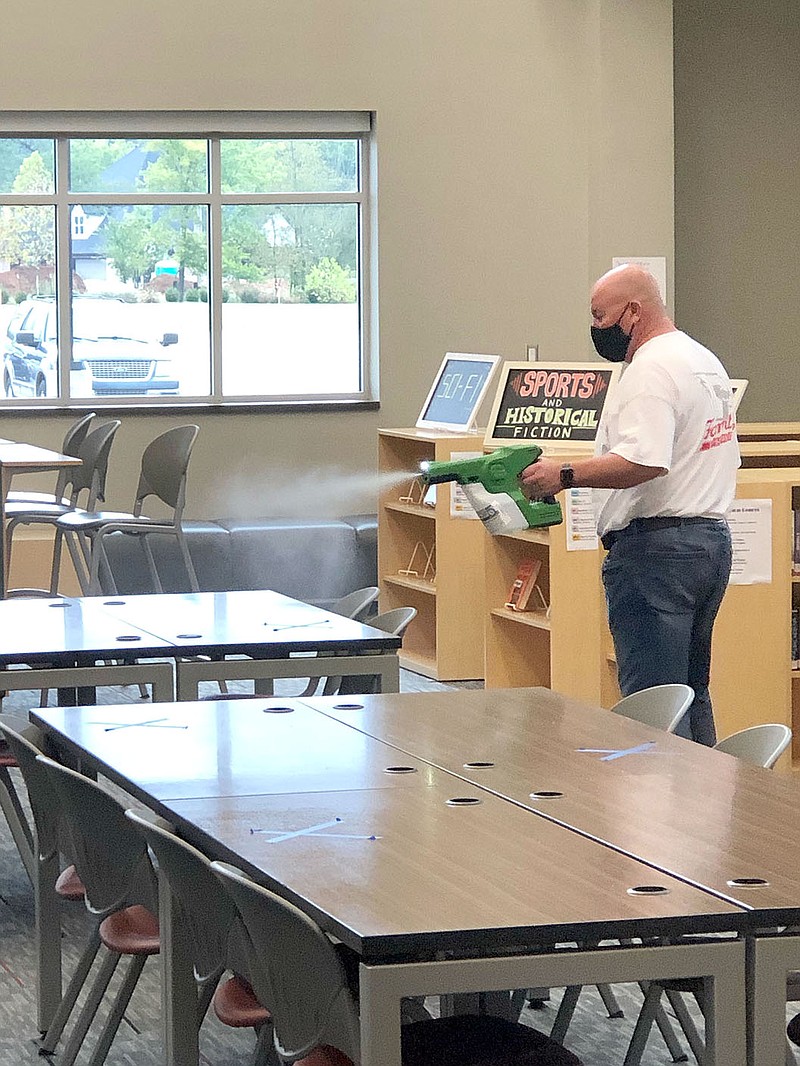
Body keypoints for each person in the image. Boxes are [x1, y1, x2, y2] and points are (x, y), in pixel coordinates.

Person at [520, 263, 739, 745]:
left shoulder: (650, 370)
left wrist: (564, 475)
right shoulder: (702, 360)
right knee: (691, 693)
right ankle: (704, 814)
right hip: (709, 545)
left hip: (657, 552)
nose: (596, 328)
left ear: (633, 311)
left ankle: (659, 817)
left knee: (654, 701)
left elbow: (645, 461)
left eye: (600, 316)